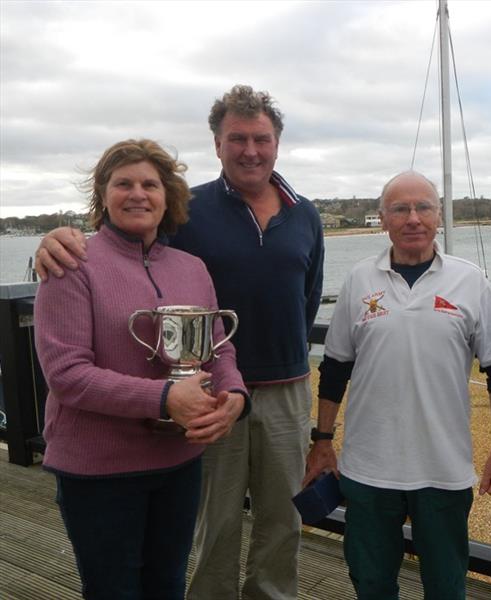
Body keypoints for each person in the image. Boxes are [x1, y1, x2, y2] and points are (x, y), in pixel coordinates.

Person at [34, 85, 325, 600]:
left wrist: (245, 384)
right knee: (213, 529)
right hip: (196, 401)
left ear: (277, 143)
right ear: (217, 144)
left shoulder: (305, 214)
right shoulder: (191, 212)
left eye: (261, 138)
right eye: (238, 138)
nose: (250, 149)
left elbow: (306, 299)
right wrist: (55, 240)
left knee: (283, 521)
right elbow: (126, 251)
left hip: (275, 390)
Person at [33, 139, 248, 600]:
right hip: (99, 468)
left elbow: (217, 349)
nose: (137, 194)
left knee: (168, 585)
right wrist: (165, 398)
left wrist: (234, 397)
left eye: (150, 184)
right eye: (123, 183)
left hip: (179, 461)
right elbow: (67, 375)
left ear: (167, 196)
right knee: (113, 590)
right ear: (103, 194)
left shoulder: (192, 267)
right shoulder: (70, 264)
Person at [303, 171, 491, 600]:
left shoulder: (470, 280)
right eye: (400, 209)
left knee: (446, 585)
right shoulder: (359, 280)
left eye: (424, 207)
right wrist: (323, 439)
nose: (413, 218)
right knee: (371, 582)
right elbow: (336, 367)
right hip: (367, 468)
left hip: (444, 468)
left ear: (439, 215)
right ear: (382, 219)